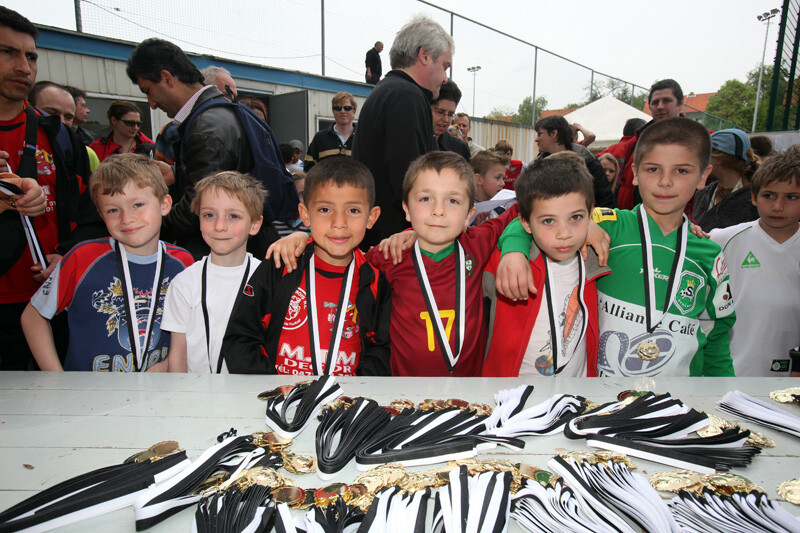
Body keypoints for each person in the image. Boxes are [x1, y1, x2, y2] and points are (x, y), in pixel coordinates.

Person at [498, 118, 736, 377]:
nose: (665, 182)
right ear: (634, 174)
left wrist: (723, 392)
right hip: (601, 392)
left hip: (679, 394)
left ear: (703, 176)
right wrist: (514, 252)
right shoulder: (605, 226)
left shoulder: (709, 253)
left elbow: (717, 336)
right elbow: (529, 219)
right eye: (653, 169)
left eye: (681, 171)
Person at [21, 154, 193, 372]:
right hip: (87, 391)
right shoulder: (83, 258)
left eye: (138, 204)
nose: (126, 218)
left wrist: (167, 366)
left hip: (157, 389)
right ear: (101, 215)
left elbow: (195, 328)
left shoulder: (183, 263)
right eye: (113, 210)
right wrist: (55, 377)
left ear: (164, 204)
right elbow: (33, 316)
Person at [221, 157, 391, 376]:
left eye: (353, 210)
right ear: (305, 215)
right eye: (325, 209)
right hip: (280, 394)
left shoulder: (375, 281)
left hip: (346, 396)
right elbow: (241, 337)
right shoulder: (281, 265)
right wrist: (272, 387)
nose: (339, 223)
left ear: (371, 217)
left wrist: (358, 390)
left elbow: (381, 350)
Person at [0, 7, 99, 370]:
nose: (23, 67)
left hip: (50, 302)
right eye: (7, 52)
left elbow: (90, 210)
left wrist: (68, 253)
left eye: (31, 56)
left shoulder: (57, 134)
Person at [366, 151, 519, 376]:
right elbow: (343, 264)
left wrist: (516, 249)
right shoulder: (391, 254)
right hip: (404, 391)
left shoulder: (476, 244)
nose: (438, 211)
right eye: (425, 199)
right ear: (406, 209)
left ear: (469, 214)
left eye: (453, 201)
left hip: (469, 391)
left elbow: (521, 210)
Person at [127, 38, 279, 259]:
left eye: (148, 91)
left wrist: (148, 229)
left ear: (167, 78)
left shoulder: (206, 126)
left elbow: (198, 205)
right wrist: (178, 174)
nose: (151, 103)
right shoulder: (220, 113)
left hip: (227, 253)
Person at [482, 154, 610, 377]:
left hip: (577, 392)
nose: (564, 233)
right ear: (526, 223)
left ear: (590, 214)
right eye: (549, 221)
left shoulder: (596, 254)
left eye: (576, 217)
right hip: (511, 392)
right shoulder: (505, 262)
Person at [353, 15, 453, 249]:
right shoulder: (407, 96)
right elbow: (410, 180)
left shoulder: (389, 91)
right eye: (444, 66)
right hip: (395, 242)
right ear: (424, 56)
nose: (445, 78)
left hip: (380, 237)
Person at [708, 150, 800, 377]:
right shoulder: (723, 239)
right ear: (753, 197)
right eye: (769, 195)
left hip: (789, 376)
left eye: (791, 197)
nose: (778, 206)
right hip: (729, 372)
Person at [161, 171, 264, 373]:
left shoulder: (267, 279)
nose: (219, 226)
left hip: (255, 390)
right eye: (209, 215)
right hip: (195, 391)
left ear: (254, 224)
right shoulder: (184, 283)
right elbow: (178, 357)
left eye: (233, 216)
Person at [600, 79, 685, 210]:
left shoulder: (696, 142)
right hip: (633, 216)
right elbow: (623, 184)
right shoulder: (635, 143)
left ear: (680, 104)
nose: (660, 106)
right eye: (655, 102)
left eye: (667, 101)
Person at [534, 115, 613, 208]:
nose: (536, 139)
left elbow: (604, 198)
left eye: (539, 134)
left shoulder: (587, 160)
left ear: (554, 133)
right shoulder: (538, 165)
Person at [692, 129, 759, 231]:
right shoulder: (702, 194)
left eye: (704, 154)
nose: (699, 159)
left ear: (719, 158)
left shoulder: (756, 199)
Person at [29, 82, 100, 172]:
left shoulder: (84, 153)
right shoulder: (14, 143)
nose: (61, 121)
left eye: (68, 117)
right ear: (29, 108)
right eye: (52, 113)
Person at [304, 92, 356, 172]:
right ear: (333, 111)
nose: (342, 111)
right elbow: (308, 169)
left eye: (347, 108)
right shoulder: (320, 138)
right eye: (338, 108)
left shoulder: (363, 138)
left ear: (354, 111)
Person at [89, 100, 154, 162]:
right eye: (130, 123)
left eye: (138, 124)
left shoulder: (151, 147)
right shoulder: (97, 148)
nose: (135, 127)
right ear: (114, 120)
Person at [432, 81, 470, 160]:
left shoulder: (459, 148)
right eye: (440, 112)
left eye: (450, 114)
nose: (446, 120)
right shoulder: (414, 142)